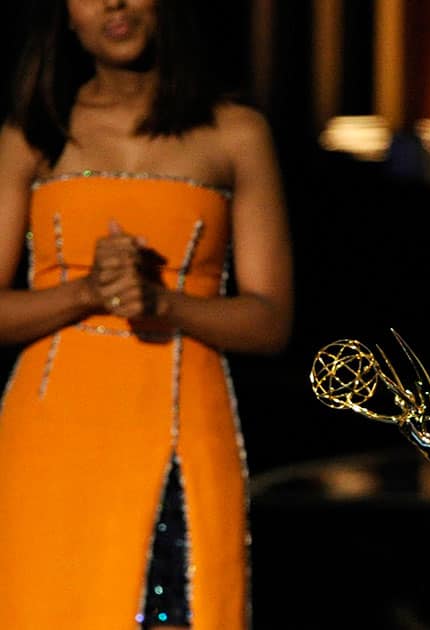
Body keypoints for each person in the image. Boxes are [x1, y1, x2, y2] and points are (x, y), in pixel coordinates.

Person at [0, 1, 293, 629]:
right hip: (50, 434)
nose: (114, 4)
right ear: (63, 15)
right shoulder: (31, 132)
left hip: (185, 417)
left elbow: (271, 320)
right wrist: (88, 293)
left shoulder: (235, 132)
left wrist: (161, 302)